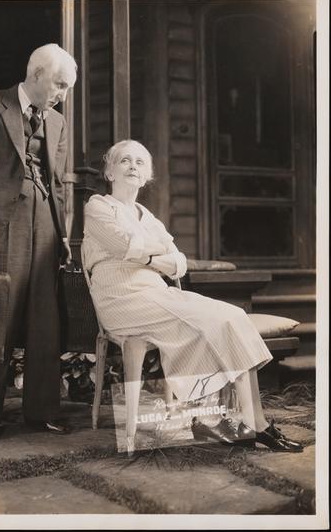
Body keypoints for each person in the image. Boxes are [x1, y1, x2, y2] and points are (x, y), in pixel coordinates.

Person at [82, 139, 303, 452]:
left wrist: (145, 255)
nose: (133, 166)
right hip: (121, 298)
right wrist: (154, 254)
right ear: (109, 172)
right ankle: (243, 424)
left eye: (140, 162)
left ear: (147, 176)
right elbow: (123, 246)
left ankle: (251, 422)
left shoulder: (147, 216)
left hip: (157, 293)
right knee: (213, 321)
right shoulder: (98, 207)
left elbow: (179, 263)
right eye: (125, 160)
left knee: (233, 316)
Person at [0, 44, 77, 441]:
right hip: (1, 224)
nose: (62, 95)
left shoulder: (57, 122)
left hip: (46, 225)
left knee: (45, 322)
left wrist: (64, 235)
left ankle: (41, 412)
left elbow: (58, 185)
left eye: (68, 88)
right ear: (36, 74)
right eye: (59, 85)